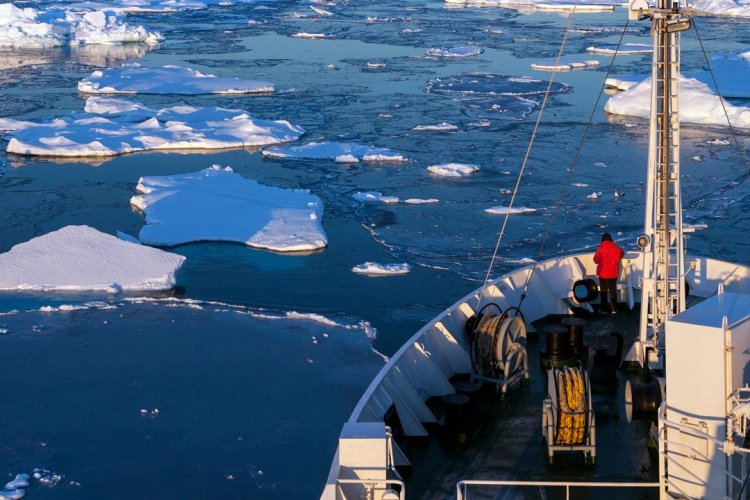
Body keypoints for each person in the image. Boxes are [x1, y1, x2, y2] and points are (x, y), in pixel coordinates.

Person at [593, 233, 624, 314]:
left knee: (603, 291)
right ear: (610, 239)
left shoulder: (600, 248)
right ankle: (614, 309)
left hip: (603, 273)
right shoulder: (616, 248)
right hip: (613, 273)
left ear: (602, 239)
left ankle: (604, 309)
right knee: (613, 291)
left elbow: (595, 260)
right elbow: (621, 254)